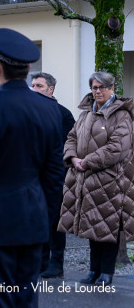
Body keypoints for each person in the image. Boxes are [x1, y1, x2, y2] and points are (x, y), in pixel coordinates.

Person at [0, 28, 64, 308]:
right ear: (28, 68)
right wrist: (47, 223)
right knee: (26, 300)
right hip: (34, 221)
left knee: (0, 302)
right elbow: (55, 176)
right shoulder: (49, 108)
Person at [58, 71, 134, 286]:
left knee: (107, 228)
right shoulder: (85, 114)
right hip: (83, 178)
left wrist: (88, 160)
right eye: (94, 87)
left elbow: (118, 147)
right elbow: (71, 137)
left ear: (112, 88)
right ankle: (93, 271)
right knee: (92, 226)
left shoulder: (122, 115)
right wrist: (72, 157)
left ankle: (106, 274)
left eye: (102, 87)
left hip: (110, 180)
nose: (98, 91)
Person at [30, 72, 76, 278]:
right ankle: (40, 261)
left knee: (54, 221)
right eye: (32, 85)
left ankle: (56, 263)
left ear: (51, 89)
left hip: (55, 177)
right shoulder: (28, 113)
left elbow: (66, 147)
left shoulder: (63, 114)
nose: (34, 89)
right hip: (31, 176)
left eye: (39, 86)